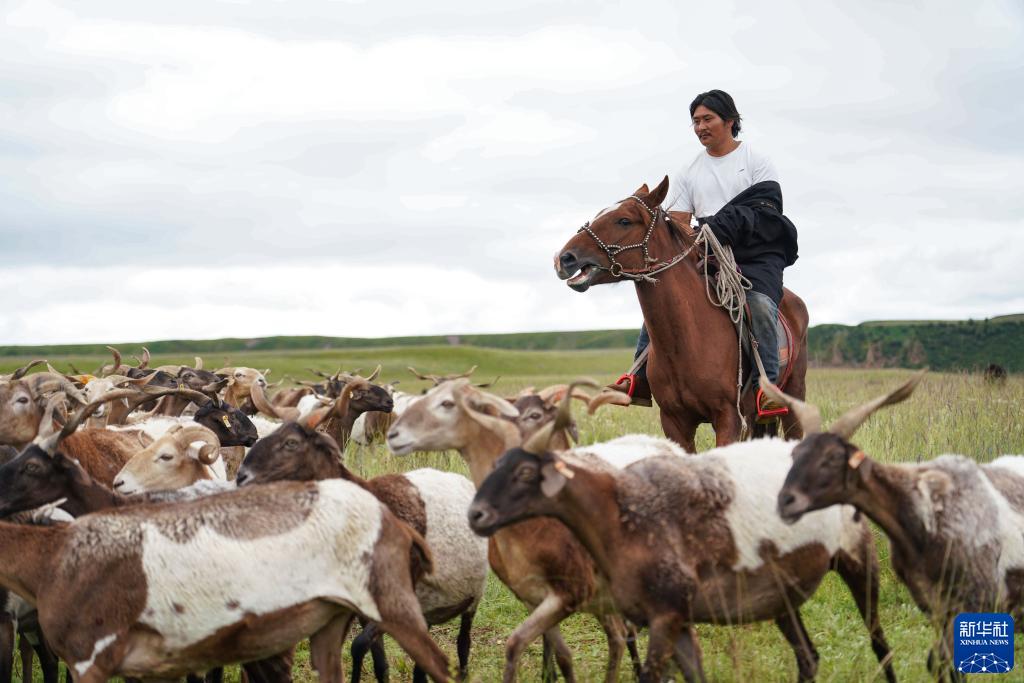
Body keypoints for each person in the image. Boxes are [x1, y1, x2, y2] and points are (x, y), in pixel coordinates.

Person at [610, 89, 798, 419]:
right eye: (695, 121)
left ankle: (768, 388)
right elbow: (680, 222)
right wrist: (696, 241)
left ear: (730, 121)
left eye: (707, 119)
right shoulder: (689, 171)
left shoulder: (756, 160)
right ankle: (637, 379)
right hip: (707, 252)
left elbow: (768, 211)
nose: (700, 127)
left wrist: (722, 227)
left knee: (761, 307)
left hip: (755, 255)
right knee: (664, 300)